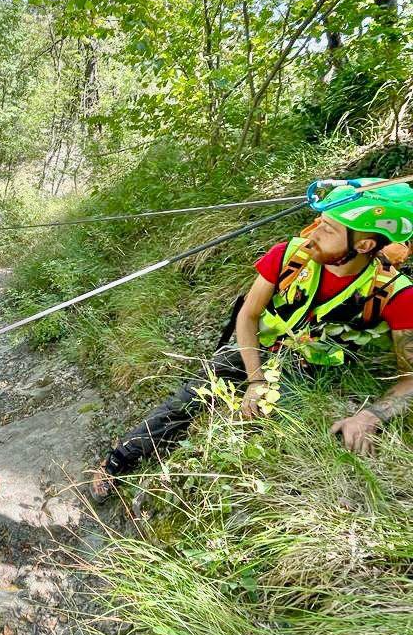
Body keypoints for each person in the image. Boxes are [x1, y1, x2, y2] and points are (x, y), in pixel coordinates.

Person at [91, 178, 413, 502]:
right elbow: (248, 316)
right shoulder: (289, 255)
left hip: (309, 370)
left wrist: (370, 415)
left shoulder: (395, 295)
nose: (312, 234)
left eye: (328, 230)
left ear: (365, 245)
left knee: (288, 430)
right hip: (257, 345)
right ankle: (119, 458)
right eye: (319, 222)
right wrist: (255, 379)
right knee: (190, 397)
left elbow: (410, 378)